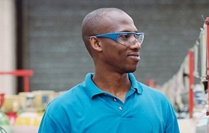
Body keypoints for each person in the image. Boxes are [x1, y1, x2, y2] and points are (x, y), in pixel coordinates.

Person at [38, 7, 180, 133]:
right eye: (125, 36)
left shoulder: (159, 104)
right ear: (97, 43)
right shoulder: (62, 110)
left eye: (136, 36)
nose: (136, 45)